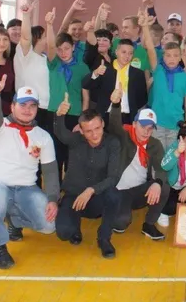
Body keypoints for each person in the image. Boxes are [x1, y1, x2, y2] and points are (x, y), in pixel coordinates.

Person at [0, 81, 59, 269]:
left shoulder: (43, 136)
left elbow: (50, 171)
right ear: (12, 106)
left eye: (32, 105)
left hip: (25, 189)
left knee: (49, 226)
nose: (27, 110)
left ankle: (13, 219)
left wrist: (53, 199)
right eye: (22, 105)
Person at [54, 105, 121, 259]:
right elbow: (60, 133)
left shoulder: (112, 143)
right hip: (73, 195)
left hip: (95, 197)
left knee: (114, 194)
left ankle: (104, 238)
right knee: (64, 233)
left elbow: (113, 177)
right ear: (81, 131)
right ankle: (75, 227)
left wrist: (91, 190)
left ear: (103, 124)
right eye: (89, 131)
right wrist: (59, 116)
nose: (94, 134)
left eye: (97, 128)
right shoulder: (76, 140)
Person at [108, 94, 169, 241]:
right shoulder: (124, 135)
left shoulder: (155, 144)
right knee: (121, 223)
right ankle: (113, 210)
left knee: (164, 186)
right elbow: (114, 124)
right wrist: (115, 105)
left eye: (150, 128)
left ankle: (149, 224)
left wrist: (157, 183)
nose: (146, 132)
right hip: (119, 191)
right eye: (142, 126)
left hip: (139, 190)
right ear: (134, 124)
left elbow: (161, 168)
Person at [45, 8, 91, 176]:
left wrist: (82, 120)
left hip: (74, 114)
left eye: (66, 48)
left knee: (72, 155)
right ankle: (55, 186)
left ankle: (70, 186)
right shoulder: (54, 63)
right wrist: (49, 25)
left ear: (73, 48)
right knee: (55, 153)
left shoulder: (82, 67)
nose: (63, 52)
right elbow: (50, 45)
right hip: (55, 113)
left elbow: (86, 97)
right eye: (60, 49)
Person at [142, 12, 186, 149]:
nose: (172, 59)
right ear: (163, 57)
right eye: (168, 55)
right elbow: (150, 49)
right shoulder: (158, 70)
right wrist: (145, 27)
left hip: (176, 125)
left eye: (175, 56)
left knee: (173, 157)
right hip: (157, 124)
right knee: (157, 158)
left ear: (180, 57)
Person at [83, 36, 147, 125]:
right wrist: (95, 73)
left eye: (130, 53)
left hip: (128, 118)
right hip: (105, 116)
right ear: (116, 52)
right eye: (123, 52)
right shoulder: (105, 69)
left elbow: (142, 99)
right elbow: (85, 84)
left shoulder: (138, 74)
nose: (127, 56)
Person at [14, 3, 50, 127]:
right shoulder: (25, 55)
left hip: (46, 108)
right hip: (28, 108)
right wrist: (26, 15)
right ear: (36, 38)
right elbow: (25, 38)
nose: (47, 39)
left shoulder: (45, 58)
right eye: (44, 37)